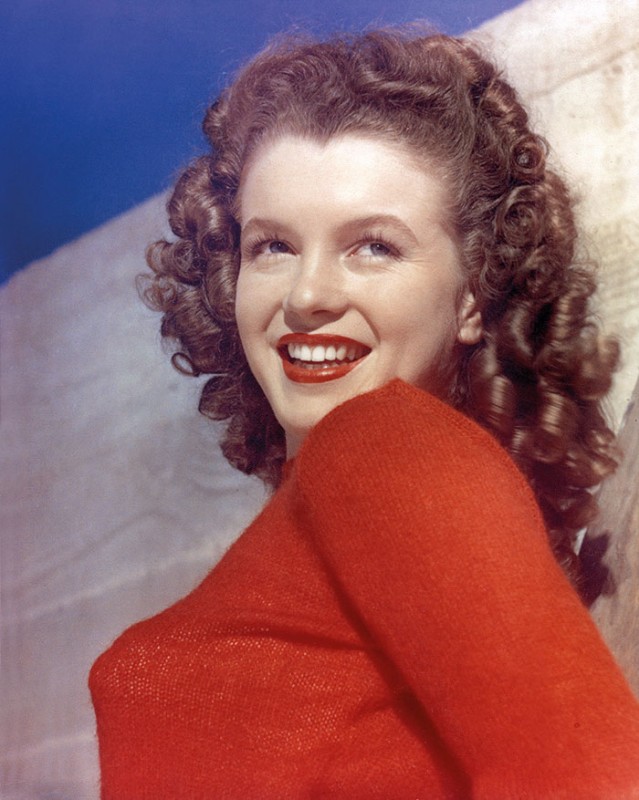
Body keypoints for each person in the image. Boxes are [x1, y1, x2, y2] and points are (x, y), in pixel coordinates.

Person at [89, 28, 639, 798]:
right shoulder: (342, 507)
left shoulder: (385, 444)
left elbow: (588, 777)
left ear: (472, 294)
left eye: (372, 246)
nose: (307, 294)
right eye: (272, 246)